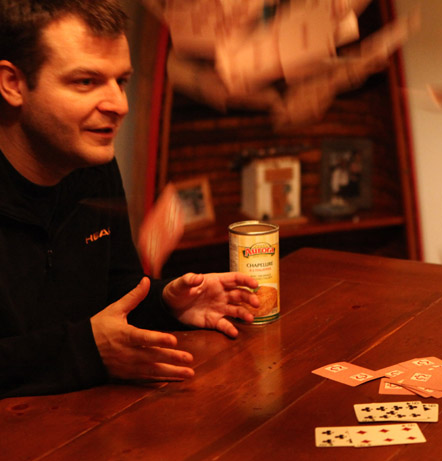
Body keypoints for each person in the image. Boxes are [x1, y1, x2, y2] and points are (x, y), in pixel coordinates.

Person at [0, 0, 260, 399]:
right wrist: (87, 352)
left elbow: (115, 292)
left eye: (120, 81)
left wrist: (167, 302)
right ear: (12, 84)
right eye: (86, 81)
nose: (119, 105)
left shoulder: (92, 166)